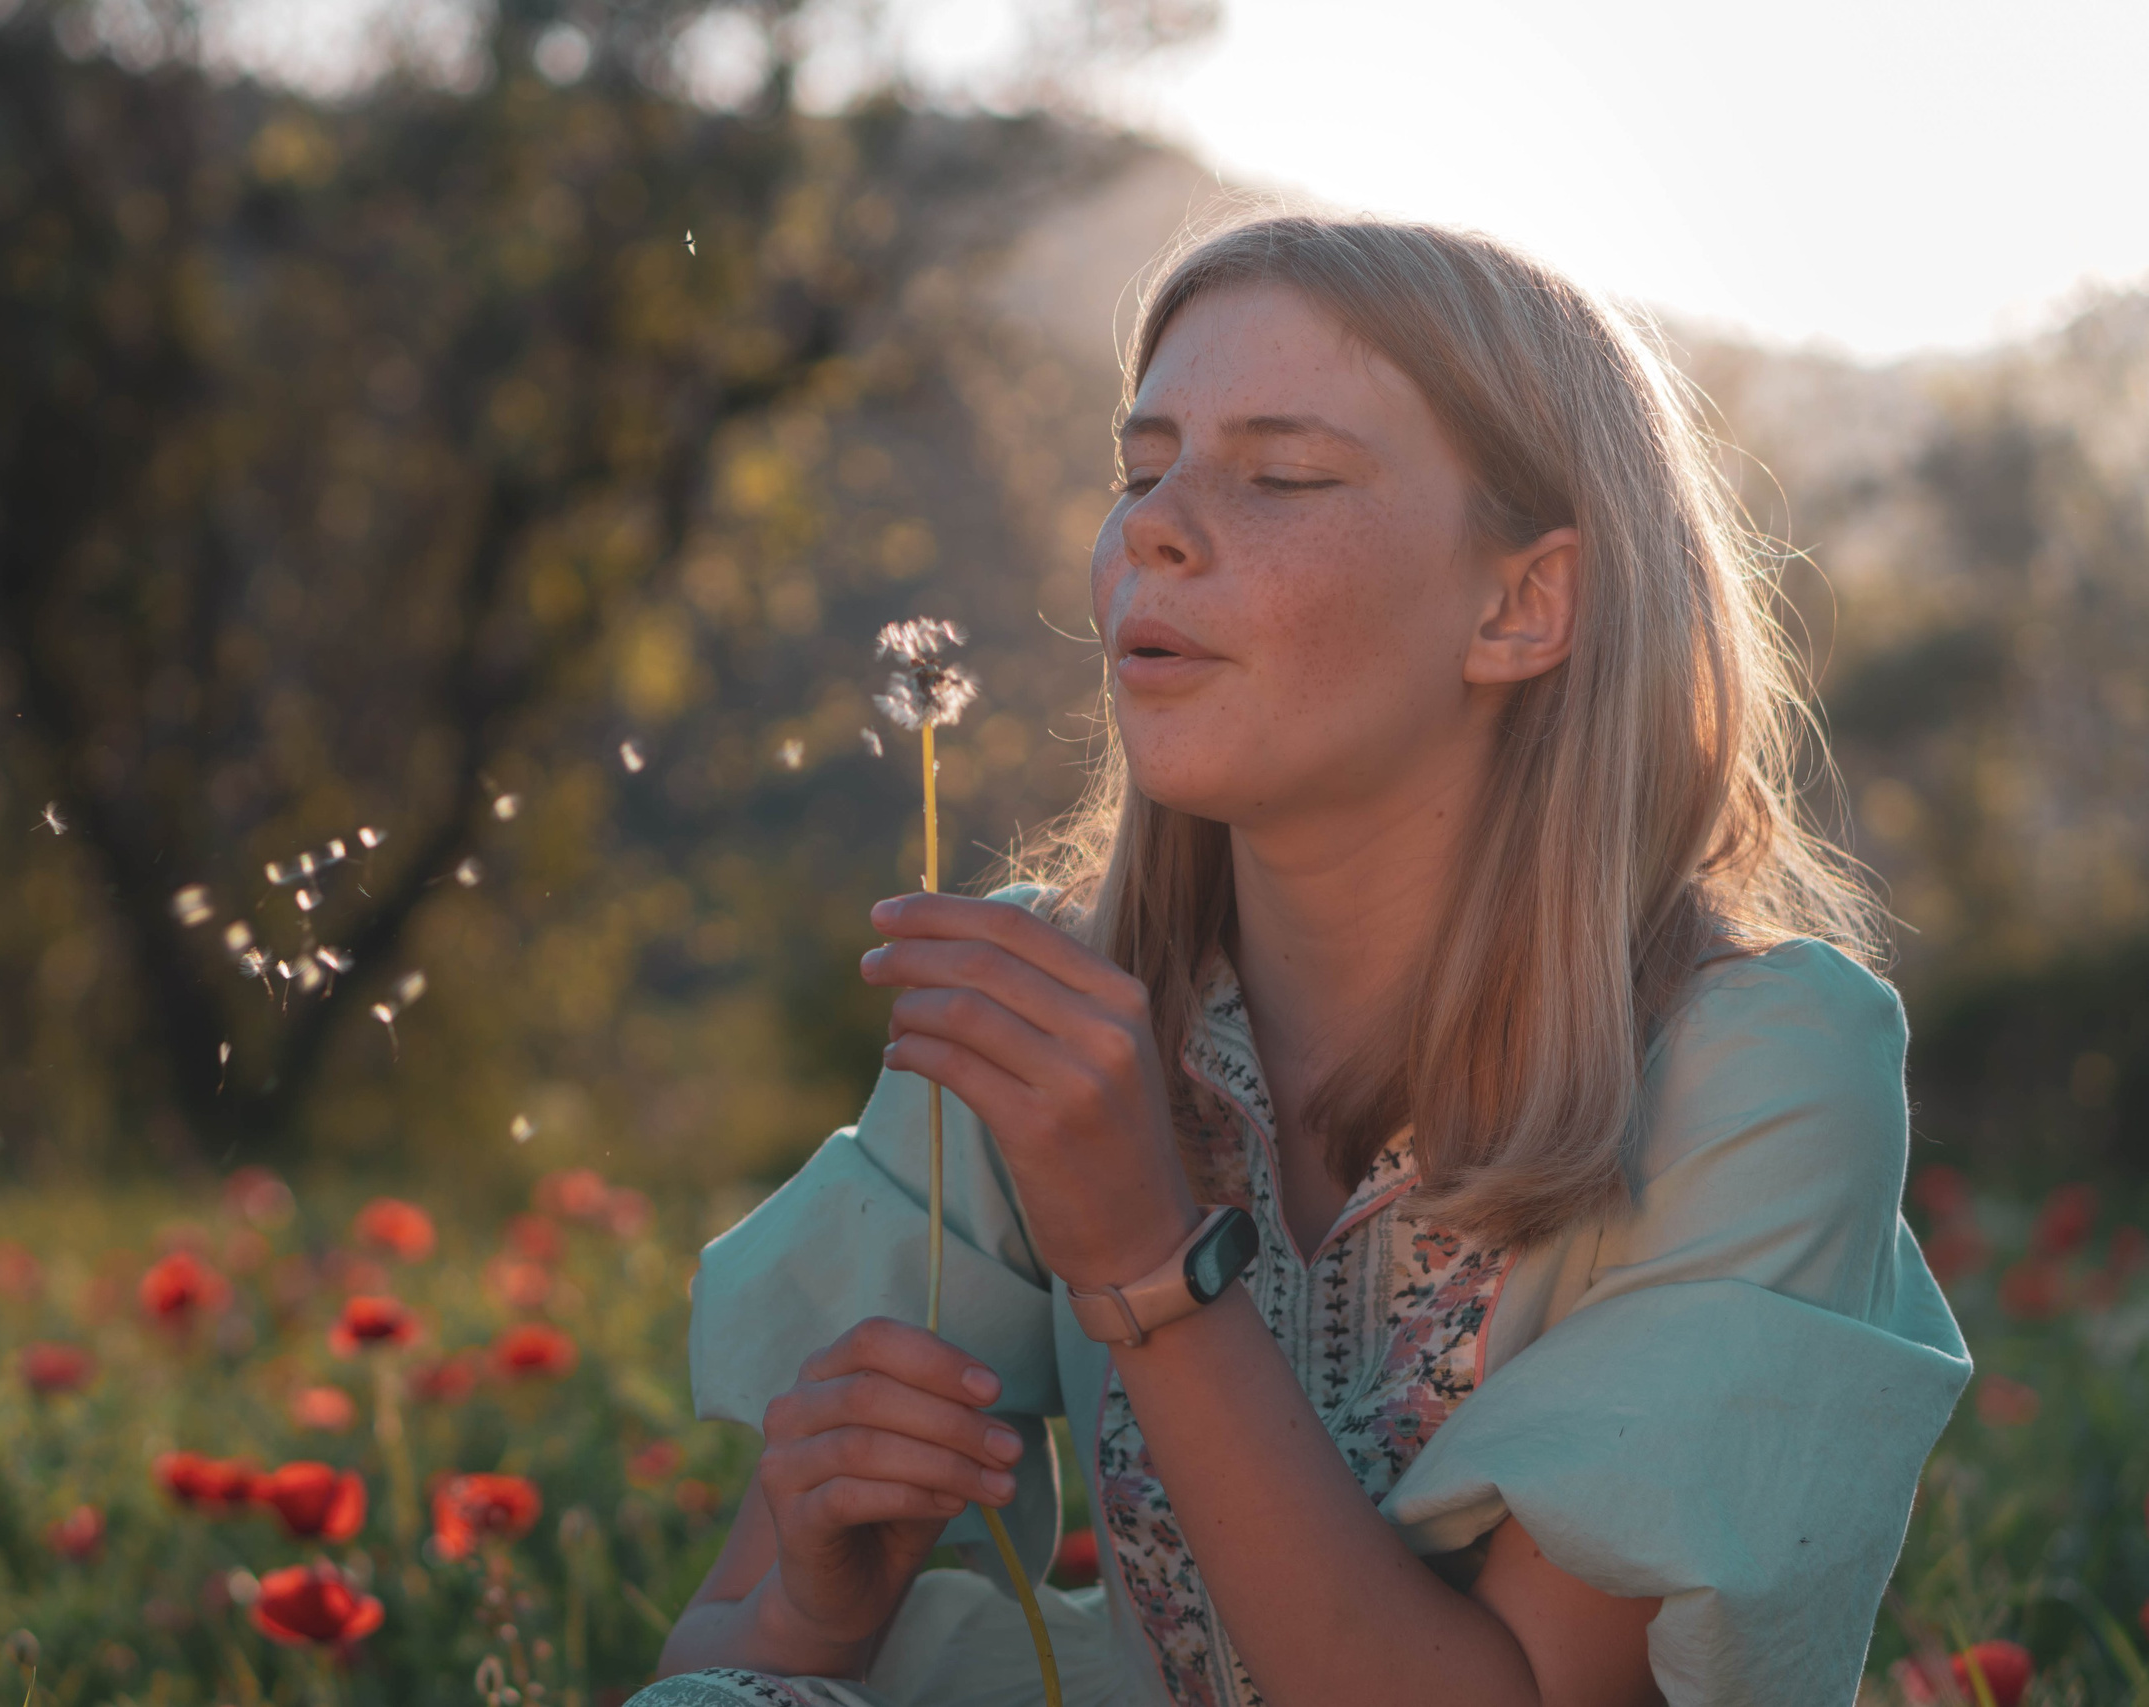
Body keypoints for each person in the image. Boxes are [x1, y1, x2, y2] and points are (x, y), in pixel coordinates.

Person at [635, 215, 1969, 1707]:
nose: (1155, 528)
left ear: (1521, 605)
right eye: (1141, 472)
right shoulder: (1059, 1013)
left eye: (1280, 478)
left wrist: (1148, 1270)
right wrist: (818, 1599)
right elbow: (707, 1664)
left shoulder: (1756, 1067)